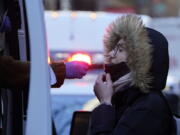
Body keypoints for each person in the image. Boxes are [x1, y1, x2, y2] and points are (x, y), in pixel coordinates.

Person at [90, 15, 176, 135]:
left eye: (120, 49)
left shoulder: (148, 108)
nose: (110, 54)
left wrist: (105, 103)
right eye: (113, 48)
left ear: (140, 60)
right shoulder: (127, 100)